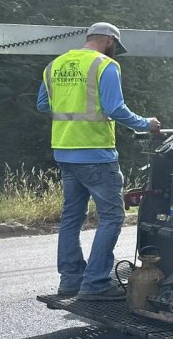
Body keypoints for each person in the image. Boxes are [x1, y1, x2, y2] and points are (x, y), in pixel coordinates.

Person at [37, 22, 161, 301]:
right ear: (108, 40)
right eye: (115, 46)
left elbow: (43, 104)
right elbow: (115, 108)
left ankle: (70, 280)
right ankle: (95, 283)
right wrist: (146, 123)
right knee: (113, 216)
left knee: (71, 218)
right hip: (96, 154)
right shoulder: (105, 65)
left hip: (64, 152)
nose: (114, 51)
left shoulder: (54, 66)